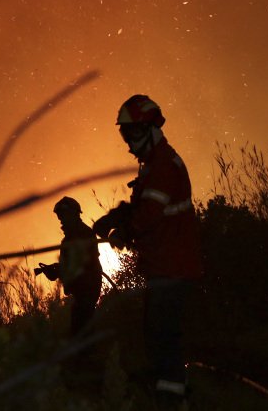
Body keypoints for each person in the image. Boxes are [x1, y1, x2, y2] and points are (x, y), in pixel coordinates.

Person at [93, 95, 202, 410]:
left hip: (173, 266)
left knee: (162, 336)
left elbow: (150, 215)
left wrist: (126, 230)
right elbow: (144, 207)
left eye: (132, 134)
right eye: (124, 135)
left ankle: (171, 401)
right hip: (166, 265)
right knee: (158, 333)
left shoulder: (163, 166)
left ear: (150, 128)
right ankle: (174, 395)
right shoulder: (154, 164)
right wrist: (118, 216)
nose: (128, 143)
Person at [37, 197, 103, 336]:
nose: (60, 219)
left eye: (63, 215)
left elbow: (82, 264)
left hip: (86, 289)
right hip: (82, 291)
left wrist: (59, 271)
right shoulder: (72, 236)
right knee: (80, 329)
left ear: (74, 214)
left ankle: (88, 356)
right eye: (59, 216)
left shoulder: (82, 234)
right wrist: (56, 270)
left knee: (82, 331)